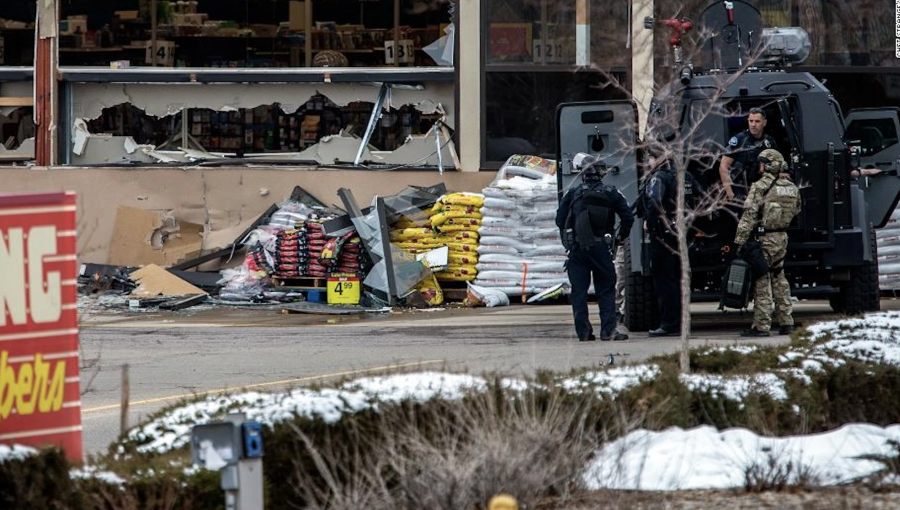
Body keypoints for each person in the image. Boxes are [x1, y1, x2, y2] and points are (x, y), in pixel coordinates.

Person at [556, 153, 634, 342]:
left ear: (581, 174)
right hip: (601, 248)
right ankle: (608, 331)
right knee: (606, 290)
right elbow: (628, 217)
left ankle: (583, 332)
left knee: (579, 292)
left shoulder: (573, 193)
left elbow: (559, 219)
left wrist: (571, 236)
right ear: (601, 174)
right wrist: (620, 237)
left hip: (577, 250)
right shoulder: (612, 192)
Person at [734, 149, 801, 337]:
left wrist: (739, 241)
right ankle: (787, 321)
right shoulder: (791, 187)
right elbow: (797, 210)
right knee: (780, 278)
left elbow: (748, 216)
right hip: (782, 238)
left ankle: (762, 326)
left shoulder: (761, 186)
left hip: (764, 239)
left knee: (762, 281)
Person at [644, 153, 704, 337]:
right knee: (680, 279)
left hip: (664, 235)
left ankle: (669, 324)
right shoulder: (687, 176)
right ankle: (682, 321)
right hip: (683, 233)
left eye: (650, 158)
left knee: (665, 280)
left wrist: (650, 224)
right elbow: (701, 198)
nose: (648, 162)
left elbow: (655, 203)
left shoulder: (659, 178)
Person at [719, 107, 778, 201]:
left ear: (764, 123)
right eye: (751, 121)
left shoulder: (769, 142)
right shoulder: (739, 140)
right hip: (741, 190)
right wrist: (729, 192)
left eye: (757, 121)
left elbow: (776, 167)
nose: (753, 125)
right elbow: (723, 166)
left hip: (762, 190)